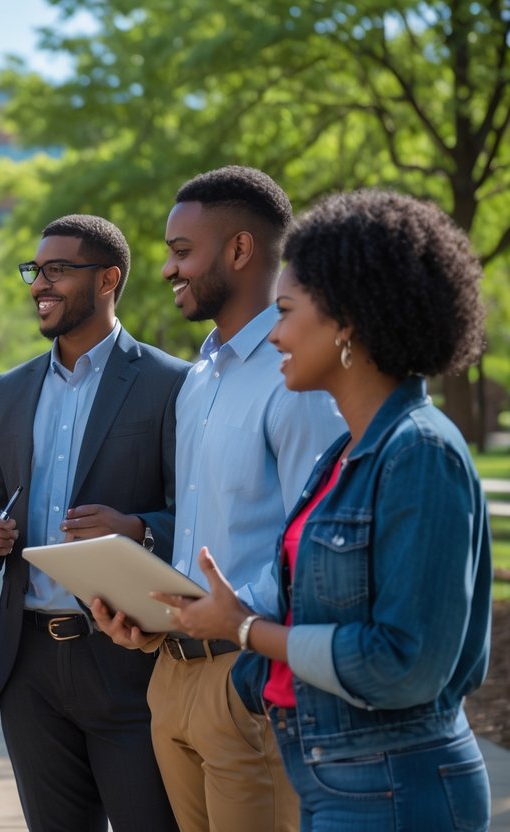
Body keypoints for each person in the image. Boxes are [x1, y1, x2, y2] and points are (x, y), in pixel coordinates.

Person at [156, 188, 492, 830]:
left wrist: (246, 634)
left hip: (396, 786)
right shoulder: (345, 455)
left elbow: (405, 665)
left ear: (347, 321)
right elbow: (304, 598)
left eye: (286, 311)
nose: (275, 332)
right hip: (335, 779)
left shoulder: (421, 454)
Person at [90, 166, 344, 832]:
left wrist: (223, 618)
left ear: (238, 250)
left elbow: (318, 547)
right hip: (170, 676)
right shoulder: (198, 376)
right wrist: (154, 613)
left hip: (249, 676)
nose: (169, 270)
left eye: (181, 252)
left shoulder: (300, 376)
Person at [0, 214, 185, 831]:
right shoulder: (9, 390)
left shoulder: (169, 383)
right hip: (29, 667)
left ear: (108, 278)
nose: (40, 283)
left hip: (129, 658)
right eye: (35, 270)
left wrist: (138, 528)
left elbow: (195, 515)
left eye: (58, 270)